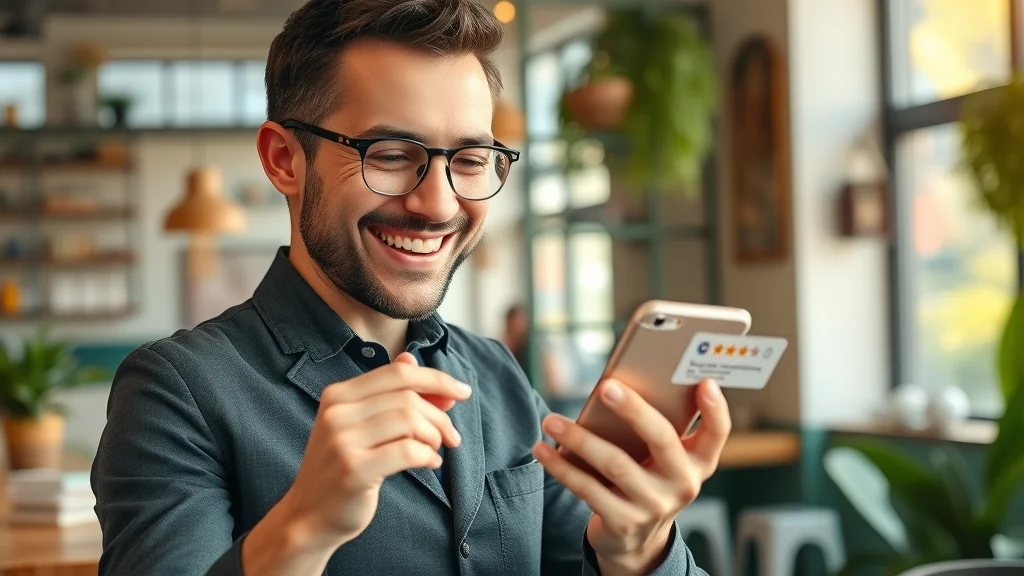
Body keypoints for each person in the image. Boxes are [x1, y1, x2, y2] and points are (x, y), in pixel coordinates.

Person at [91, 1, 732, 575]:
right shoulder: (175, 390)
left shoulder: (497, 374)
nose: (437, 202)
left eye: (471, 160)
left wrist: (638, 550)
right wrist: (301, 529)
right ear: (286, 160)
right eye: (392, 154)